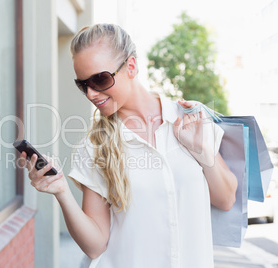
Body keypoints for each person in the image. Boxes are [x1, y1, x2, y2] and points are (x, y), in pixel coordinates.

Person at [19, 24, 238, 268]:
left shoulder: (190, 118)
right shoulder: (93, 147)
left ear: (131, 67)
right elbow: (95, 245)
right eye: (83, 85)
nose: (91, 94)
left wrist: (203, 153)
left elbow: (227, 199)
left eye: (100, 79)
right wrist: (61, 191)